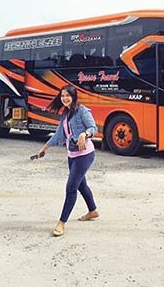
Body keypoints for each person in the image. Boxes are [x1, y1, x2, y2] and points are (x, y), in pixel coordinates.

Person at [37, 85, 99, 237]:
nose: (64, 98)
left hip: (85, 155)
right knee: (81, 185)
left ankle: (62, 223)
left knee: (71, 188)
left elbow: (93, 127)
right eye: (62, 95)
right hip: (72, 155)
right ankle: (93, 211)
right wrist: (44, 148)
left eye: (67, 95)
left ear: (73, 96)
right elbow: (58, 135)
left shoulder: (82, 111)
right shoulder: (65, 115)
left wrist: (85, 134)